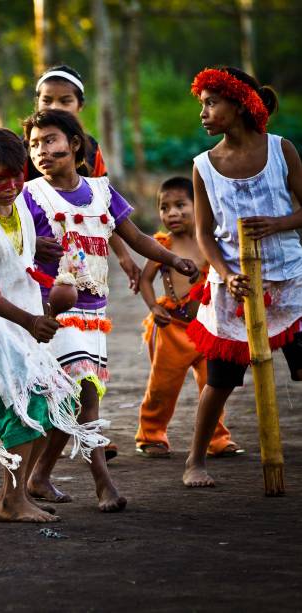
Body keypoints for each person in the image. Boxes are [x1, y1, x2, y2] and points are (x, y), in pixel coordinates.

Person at [19, 109, 199, 512]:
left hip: (94, 312)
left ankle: (39, 476)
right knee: (85, 390)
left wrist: (172, 259)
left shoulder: (102, 192)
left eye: (50, 140)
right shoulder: (30, 197)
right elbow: (11, 247)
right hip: (52, 310)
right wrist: (32, 249)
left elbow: (134, 236)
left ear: (75, 144)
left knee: (73, 400)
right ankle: (104, 484)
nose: (42, 151)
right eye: (34, 145)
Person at [0, 128, 108, 522]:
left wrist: (37, 253)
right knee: (20, 411)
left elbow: (16, 257)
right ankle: (12, 500)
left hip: (17, 324)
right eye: (0, 178)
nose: (13, 185)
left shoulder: (16, 206)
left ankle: (16, 494)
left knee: (51, 400)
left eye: (19, 174)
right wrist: (31, 320)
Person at [183, 67, 302, 488]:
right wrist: (225, 274)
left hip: (289, 281)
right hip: (234, 286)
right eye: (202, 105)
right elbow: (202, 232)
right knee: (219, 381)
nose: (204, 112)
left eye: (212, 103)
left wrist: (280, 223)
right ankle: (195, 461)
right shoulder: (204, 166)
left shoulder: (281, 150)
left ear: (241, 105)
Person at [26, 64, 141, 461]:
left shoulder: (90, 153)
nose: (56, 105)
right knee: (64, 379)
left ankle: (62, 453)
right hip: (44, 283)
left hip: (87, 277)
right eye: (47, 100)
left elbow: (108, 213)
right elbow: (9, 210)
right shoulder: (34, 149)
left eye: (65, 100)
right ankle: (84, 453)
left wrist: (124, 256)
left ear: (81, 106)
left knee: (82, 377)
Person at [135, 177, 238, 458]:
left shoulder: (211, 243)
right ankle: (151, 435)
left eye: (180, 205)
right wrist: (153, 307)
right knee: (162, 386)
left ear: (198, 206)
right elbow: (145, 281)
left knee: (213, 384)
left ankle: (217, 438)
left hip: (209, 330)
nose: (172, 214)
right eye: (165, 208)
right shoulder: (162, 245)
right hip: (172, 329)